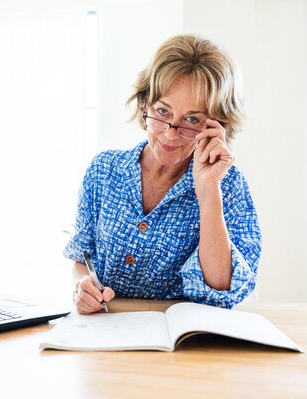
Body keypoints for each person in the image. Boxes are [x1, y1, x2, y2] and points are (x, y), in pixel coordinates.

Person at [64, 34, 262, 314]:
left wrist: (208, 191)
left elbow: (220, 291)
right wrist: (81, 287)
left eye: (192, 120)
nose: (170, 133)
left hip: (186, 342)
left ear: (217, 125)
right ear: (145, 104)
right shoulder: (103, 171)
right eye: (162, 111)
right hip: (106, 333)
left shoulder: (227, 185)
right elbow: (81, 257)